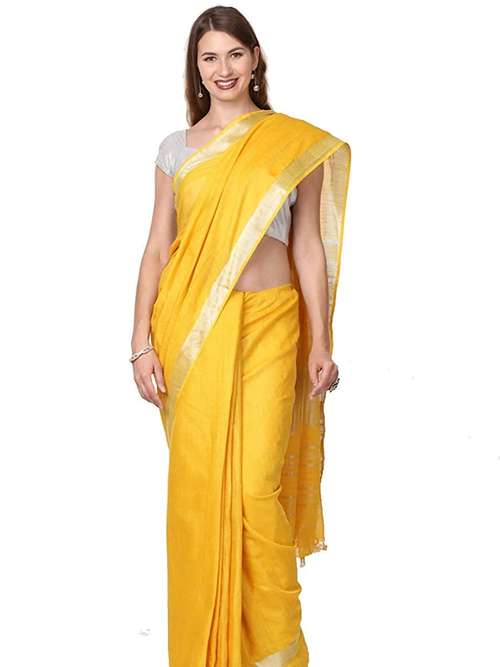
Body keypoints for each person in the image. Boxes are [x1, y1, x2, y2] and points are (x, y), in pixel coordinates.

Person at [130, 6, 351, 666]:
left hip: (273, 325)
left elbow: (307, 246)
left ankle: (277, 652)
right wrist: (141, 341)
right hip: (193, 331)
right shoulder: (176, 149)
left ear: (255, 59)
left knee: (256, 488)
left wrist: (321, 340)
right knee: (201, 493)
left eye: (233, 54)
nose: (222, 69)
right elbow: (158, 247)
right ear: (195, 69)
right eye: (209, 58)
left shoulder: (292, 144)